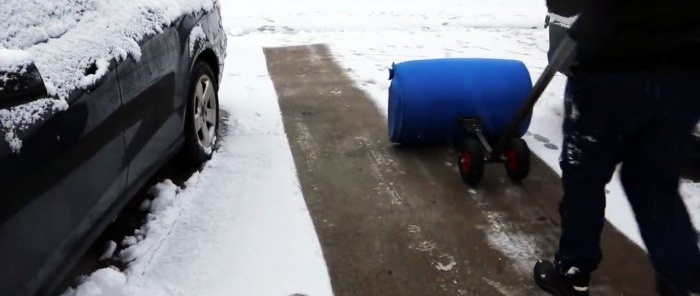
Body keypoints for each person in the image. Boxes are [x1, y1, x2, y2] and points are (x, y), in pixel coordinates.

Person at [534, 0, 700, 295]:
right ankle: (685, 280)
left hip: (612, 69)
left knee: (585, 174)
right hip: (683, 75)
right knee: (654, 182)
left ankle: (573, 269)